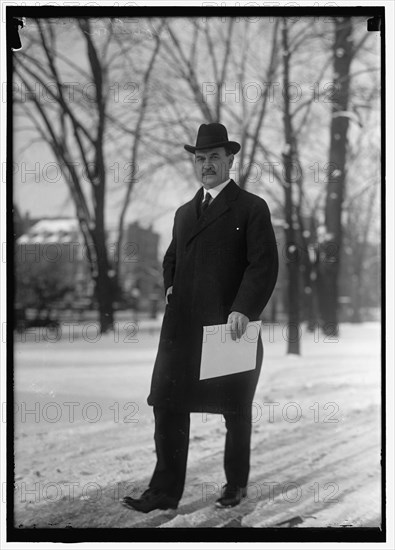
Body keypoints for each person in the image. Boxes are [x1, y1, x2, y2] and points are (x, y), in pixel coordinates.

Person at [122, 123, 278, 513]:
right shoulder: (183, 213)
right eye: (200, 158)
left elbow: (263, 265)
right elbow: (171, 257)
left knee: (234, 408)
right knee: (168, 404)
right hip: (183, 330)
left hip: (229, 326)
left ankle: (235, 484)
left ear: (230, 160)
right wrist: (171, 285)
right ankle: (164, 492)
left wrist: (244, 307)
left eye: (214, 157)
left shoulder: (251, 207)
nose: (206, 165)